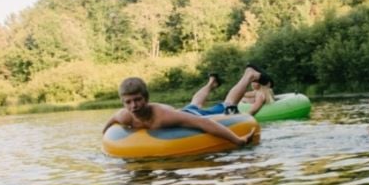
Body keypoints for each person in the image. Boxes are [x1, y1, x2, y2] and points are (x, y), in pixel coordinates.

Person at [102, 66, 266, 146]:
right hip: (187, 111)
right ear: (123, 103)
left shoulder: (162, 116)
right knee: (194, 103)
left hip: (191, 115)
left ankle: (248, 75)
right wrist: (103, 137)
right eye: (128, 102)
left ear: (146, 99)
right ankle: (211, 83)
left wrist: (237, 140)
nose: (134, 106)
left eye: (137, 100)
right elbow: (110, 121)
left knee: (228, 104)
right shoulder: (124, 116)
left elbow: (204, 123)